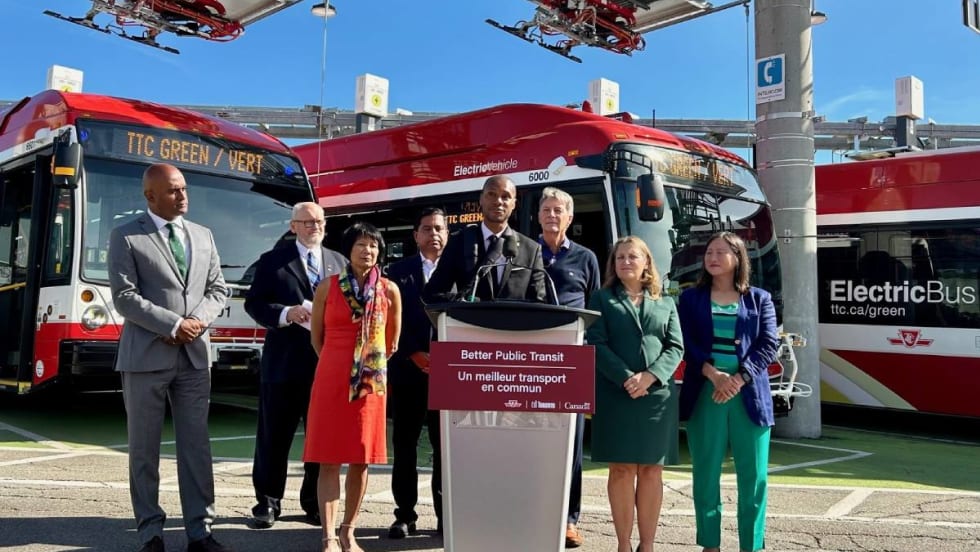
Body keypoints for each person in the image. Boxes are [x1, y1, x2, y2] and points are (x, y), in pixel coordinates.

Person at [108, 163, 232, 552]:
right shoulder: (126, 236)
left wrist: (195, 321)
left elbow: (218, 289)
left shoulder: (203, 235)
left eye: (184, 188)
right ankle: (150, 532)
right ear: (150, 196)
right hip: (145, 357)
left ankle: (200, 530)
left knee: (196, 447)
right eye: (174, 190)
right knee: (144, 449)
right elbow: (125, 297)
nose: (183, 196)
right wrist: (174, 323)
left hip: (194, 358)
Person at [244, 201, 347, 528]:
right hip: (284, 365)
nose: (314, 227)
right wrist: (286, 314)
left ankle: (314, 503)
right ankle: (267, 502)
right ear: (293, 227)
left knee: (321, 436)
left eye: (319, 222)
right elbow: (254, 303)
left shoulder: (339, 262)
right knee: (275, 436)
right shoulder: (273, 262)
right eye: (307, 222)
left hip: (327, 366)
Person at [677, 231, 779, 552]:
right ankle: (710, 544)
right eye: (709, 252)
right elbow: (684, 342)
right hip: (705, 393)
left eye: (721, 252)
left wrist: (738, 379)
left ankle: (752, 545)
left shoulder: (759, 298)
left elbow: (768, 345)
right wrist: (712, 373)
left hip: (749, 396)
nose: (713, 257)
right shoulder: (690, 298)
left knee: (754, 479)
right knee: (705, 474)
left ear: (738, 258)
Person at [304, 222, 402, 552]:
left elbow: (391, 344)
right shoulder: (327, 287)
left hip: (369, 385)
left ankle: (349, 531)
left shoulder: (389, 290)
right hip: (331, 376)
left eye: (373, 245)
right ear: (348, 249)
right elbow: (317, 338)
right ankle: (328, 536)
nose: (367, 250)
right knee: (328, 458)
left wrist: (364, 365)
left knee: (361, 459)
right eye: (361, 244)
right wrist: (341, 361)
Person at [584, 236, 683, 552]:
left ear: (646, 263)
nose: (625, 262)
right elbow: (595, 342)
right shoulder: (601, 299)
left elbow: (675, 346)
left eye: (632, 256)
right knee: (622, 468)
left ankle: (648, 544)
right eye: (619, 257)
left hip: (656, 397)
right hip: (616, 394)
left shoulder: (665, 301)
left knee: (653, 469)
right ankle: (624, 544)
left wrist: (650, 376)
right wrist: (627, 378)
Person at [537, 187, 600, 548]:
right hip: (535, 361)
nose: (551, 215)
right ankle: (534, 509)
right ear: (538, 216)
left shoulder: (586, 258)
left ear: (569, 217)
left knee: (572, 445)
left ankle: (569, 519)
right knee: (535, 439)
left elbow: (593, 308)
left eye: (558, 209)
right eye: (546, 209)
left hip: (571, 363)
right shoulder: (527, 252)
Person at [386, 207, 449, 539]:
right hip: (407, 370)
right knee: (405, 444)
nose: (433, 234)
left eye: (439, 228)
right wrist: (414, 352)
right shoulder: (397, 272)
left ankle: (445, 516)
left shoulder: (460, 272)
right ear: (415, 235)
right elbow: (389, 318)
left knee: (446, 447)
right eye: (427, 228)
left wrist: (441, 355)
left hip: (448, 373)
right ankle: (404, 515)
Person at [424, 175, 547, 303]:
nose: (498, 201)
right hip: (468, 322)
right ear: (481, 199)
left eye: (505, 196)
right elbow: (432, 293)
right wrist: (463, 302)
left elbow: (540, 301)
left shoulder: (531, 250)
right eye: (492, 194)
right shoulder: (458, 242)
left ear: (514, 204)